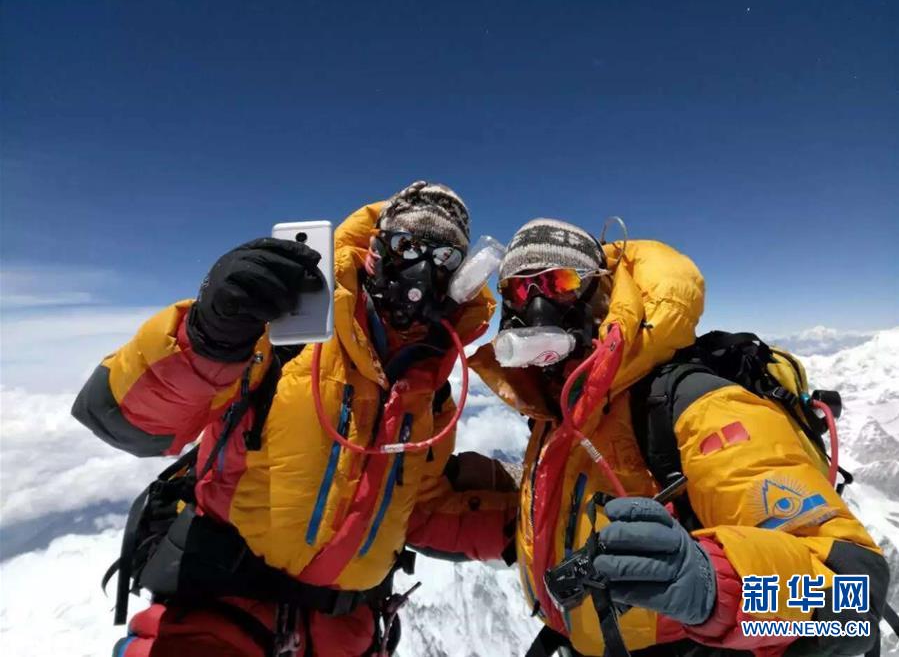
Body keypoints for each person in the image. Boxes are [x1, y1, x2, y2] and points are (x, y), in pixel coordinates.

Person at [72, 180, 519, 657]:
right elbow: (121, 417)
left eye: (446, 257)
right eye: (407, 245)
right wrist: (209, 337)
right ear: (375, 249)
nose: (423, 268)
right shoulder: (280, 332)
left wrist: (534, 532)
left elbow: (419, 509)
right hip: (220, 614)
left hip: (349, 633)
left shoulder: (431, 390)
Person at [470, 218, 889, 656]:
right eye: (520, 290)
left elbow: (856, 597)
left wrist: (719, 588)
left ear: (603, 294)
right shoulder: (557, 414)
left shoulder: (698, 406)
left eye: (561, 282)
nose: (538, 304)